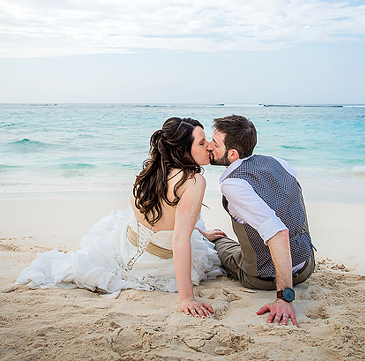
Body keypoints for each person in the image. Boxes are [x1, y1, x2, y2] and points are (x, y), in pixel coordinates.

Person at [16, 117, 226, 318]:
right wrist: (187, 298)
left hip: (126, 250)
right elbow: (179, 238)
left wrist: (200, 233)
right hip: (158, 266)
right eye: (201, 143)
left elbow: (166, 217)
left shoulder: (154, 171)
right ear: (183, 150)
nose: (209, 146)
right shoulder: (193, 181)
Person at [208, 115, 315, 327]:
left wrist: (284, 299)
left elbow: (278, 233)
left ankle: (215, 240)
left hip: (263, 278)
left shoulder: (233, 184)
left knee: (217, 242)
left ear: (232, 154)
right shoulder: (278, 163)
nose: (209, 146)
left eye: (215, 144)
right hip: (306, 266)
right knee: (291, 194)